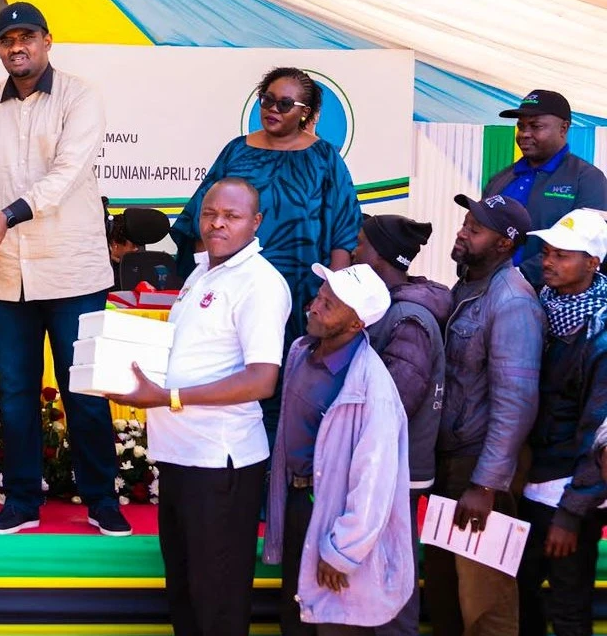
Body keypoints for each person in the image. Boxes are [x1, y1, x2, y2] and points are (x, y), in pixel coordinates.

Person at [0, 1, 128, 536]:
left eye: (28, 37)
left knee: (82, 389)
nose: (18, 46)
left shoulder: (80, 98)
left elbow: (66, 174)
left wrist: (7, 214)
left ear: (47, 41)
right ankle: (20, 500)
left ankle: (101, 499)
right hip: (3, 273)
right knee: (14, 392)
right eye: (7, 39)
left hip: (72, 272)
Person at [107, 178, 290, 635]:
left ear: (256, 222)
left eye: (232, 217)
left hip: (219, 464)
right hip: (180, 457)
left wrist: (167, 397)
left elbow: (262, 379)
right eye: (210, 214)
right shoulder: (201, 272)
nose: (218, 224)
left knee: (217, 604)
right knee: (186, 596)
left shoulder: (261, 283)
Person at [170, 67, 362, 437]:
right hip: (230, 290)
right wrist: (205, 282)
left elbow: (343, 235)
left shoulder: (324, 159)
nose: (272, 109)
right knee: (226, 375)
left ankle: (271, 481)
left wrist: (331, 299)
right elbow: (201, 218)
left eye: (285, 104)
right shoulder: (236, 151)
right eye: (267, 100)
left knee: (282, 389)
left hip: (298, 295)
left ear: (306, 112)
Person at [264, 263, 412, 635]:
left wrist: (343, 551)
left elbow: (373, 481)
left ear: (356, 325)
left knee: (332, 624)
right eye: (319, 297)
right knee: (295, 617)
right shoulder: (301, 351)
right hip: (300, 506)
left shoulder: (372, 388)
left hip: (334, 520)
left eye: (329, 305)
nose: (314, 307)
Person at [423, 194, 546, 636]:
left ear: (503, 244)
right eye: (465, 223)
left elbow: (516, 403)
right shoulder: (468, 286)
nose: (462, 232)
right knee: (446, 597)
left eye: (475, 229)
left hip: (480, 471)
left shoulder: (512, 302)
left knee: (485, 605)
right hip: (452, 464)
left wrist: (486, 484)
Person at [351, 214, 451, 635]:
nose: (353, 251)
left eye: (359, 244)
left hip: (394, 468)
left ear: (378, 255)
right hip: (386, 465)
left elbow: (394, 401)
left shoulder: (408, 317)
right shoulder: (392, 308)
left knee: (391, 571)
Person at [515, 209, 607, 636]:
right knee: (522, 594)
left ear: (593, 263)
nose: (548, 261)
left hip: (570, 491)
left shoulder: (600, 333)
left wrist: (572, 513)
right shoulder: (543, 304)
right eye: (548, 251)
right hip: (534, 481)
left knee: (570, 609)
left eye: (563, 254)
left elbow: (600, 432)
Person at [483, 90, 607, 288]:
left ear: (563, 128)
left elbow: (586, 244)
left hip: (550, 302)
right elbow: (479, 230)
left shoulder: (587, 178)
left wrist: (519, 277)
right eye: (521, 126)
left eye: (535, 126)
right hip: (487, 290)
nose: (524, 134)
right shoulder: (501, 179)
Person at [106, 206, 172, 290]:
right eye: (133, 246)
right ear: (116, 244)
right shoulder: (102, 270)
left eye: (139, 246)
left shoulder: (143, 267)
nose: (136, 249)